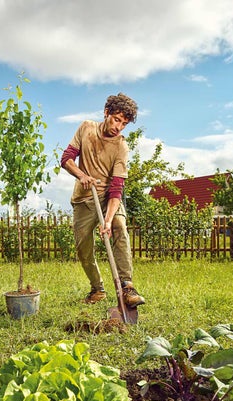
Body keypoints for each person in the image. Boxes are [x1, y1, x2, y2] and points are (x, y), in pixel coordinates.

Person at [60, 93, 145, 307]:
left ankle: (127, 287)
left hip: (108, 198)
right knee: (83, 247)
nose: (119, 127)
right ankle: (97, 289)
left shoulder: (121, 146)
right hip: (83, 199)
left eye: (124, 124)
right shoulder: (86, 128)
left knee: (119, 226)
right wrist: (82, 176)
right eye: (116, 120)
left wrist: (107, 221)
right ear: (106, 113)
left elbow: (117, 188)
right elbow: (66, 159)